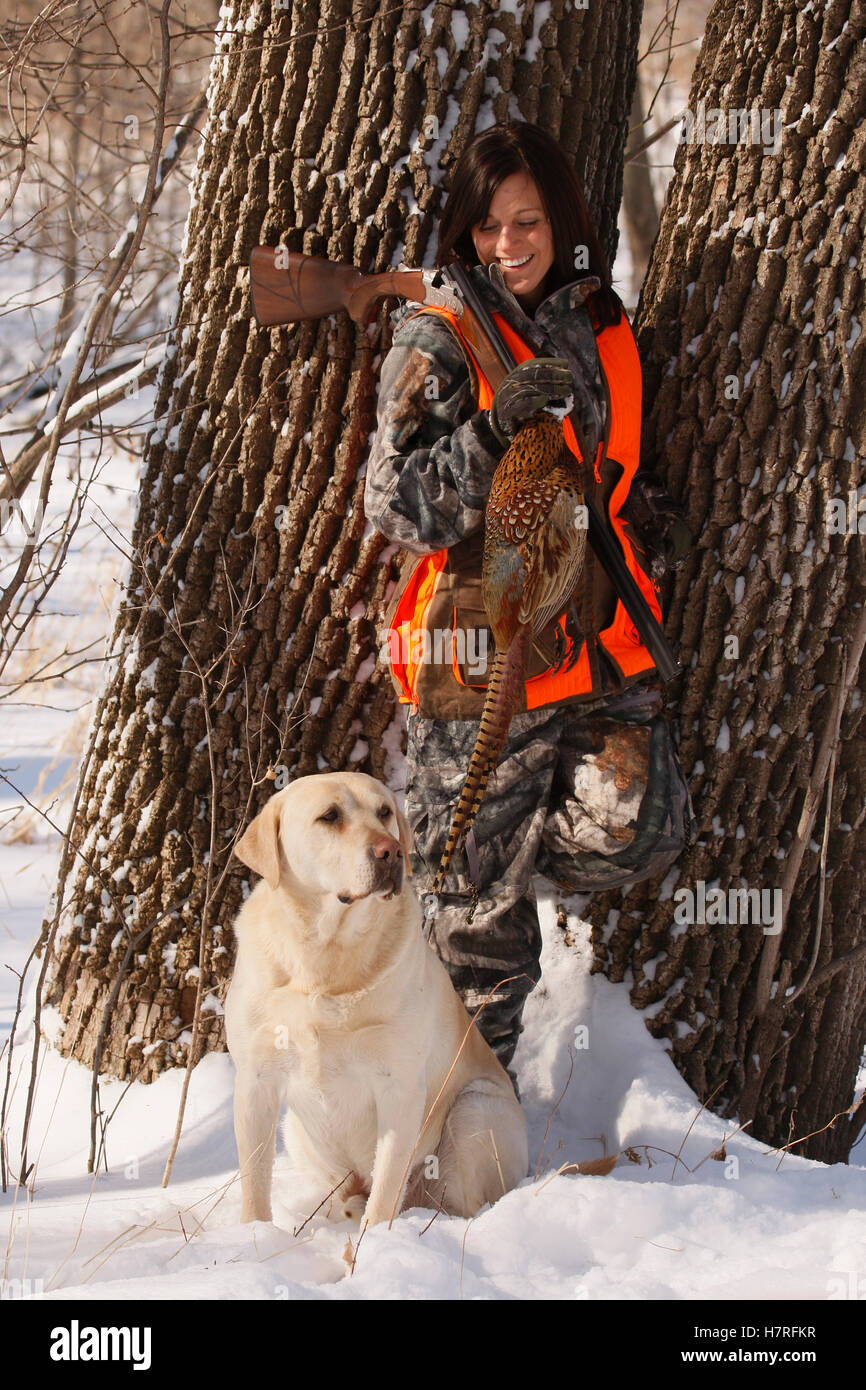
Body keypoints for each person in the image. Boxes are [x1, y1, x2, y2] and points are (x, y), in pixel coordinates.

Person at [364, 122, 694, 1083]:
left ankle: (464, 856)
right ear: (464, 234)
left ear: (561, 222)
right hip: (479, 658)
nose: (508, 244)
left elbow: (615, 468)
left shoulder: (597, 324)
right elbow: (395, 507)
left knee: (644, 826)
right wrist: (485, 437)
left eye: (528, 220)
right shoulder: (440, 335)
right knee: (482, 941)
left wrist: (653, 521)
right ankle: (474, 1137)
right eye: (488, 226)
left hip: (595, 647)